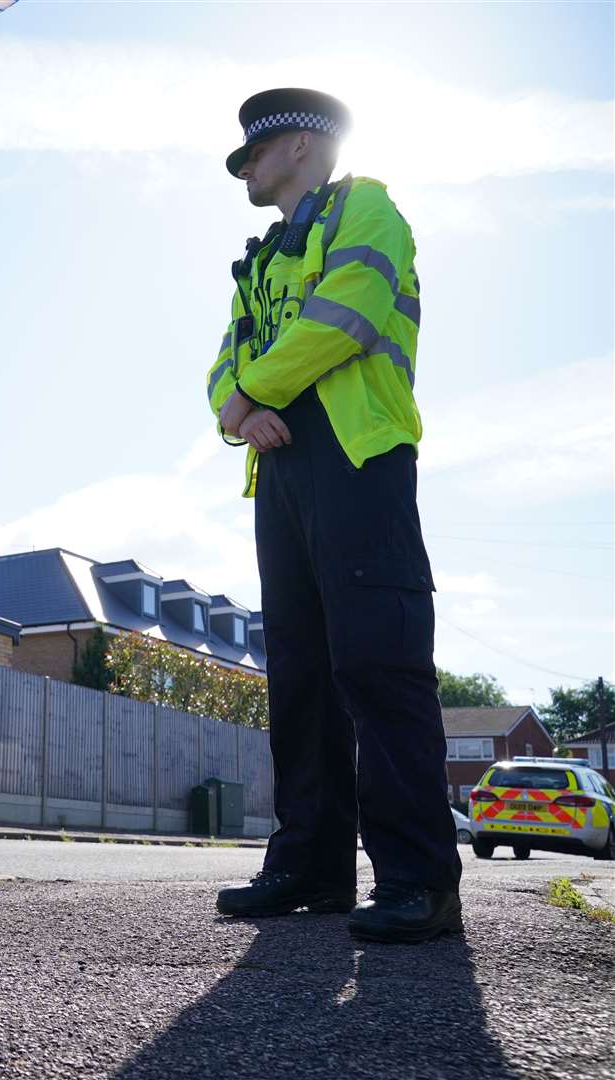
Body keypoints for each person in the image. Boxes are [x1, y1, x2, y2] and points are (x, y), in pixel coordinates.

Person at [206, 89, 460, 942]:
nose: (244, 166)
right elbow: (220, 367)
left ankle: (418, 879)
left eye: (256, 151)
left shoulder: (368, 207)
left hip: (358, 458)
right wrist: (237, 408)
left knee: (377, 665)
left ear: (306, 146)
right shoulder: (259, 259)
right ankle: (310, 867)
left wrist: (250, 395)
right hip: (280, 472)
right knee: (302, 676)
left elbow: (347, 309)